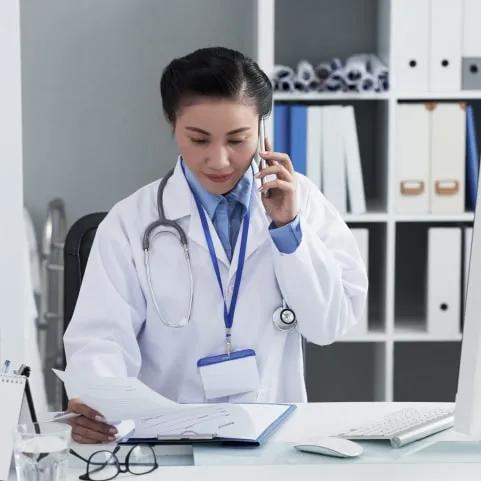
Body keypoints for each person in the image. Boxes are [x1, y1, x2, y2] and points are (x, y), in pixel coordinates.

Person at [64, 46, 368, 444]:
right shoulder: (130, 222)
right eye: (199, 139)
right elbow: (101, 339)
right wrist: (97, 404)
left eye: (238, 139)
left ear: (262, 127)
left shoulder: (301, 201)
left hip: (275, 438)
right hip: (164, 444)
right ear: (173, 124)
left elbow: (329, 325)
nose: (219, 160)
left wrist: (288, 228)